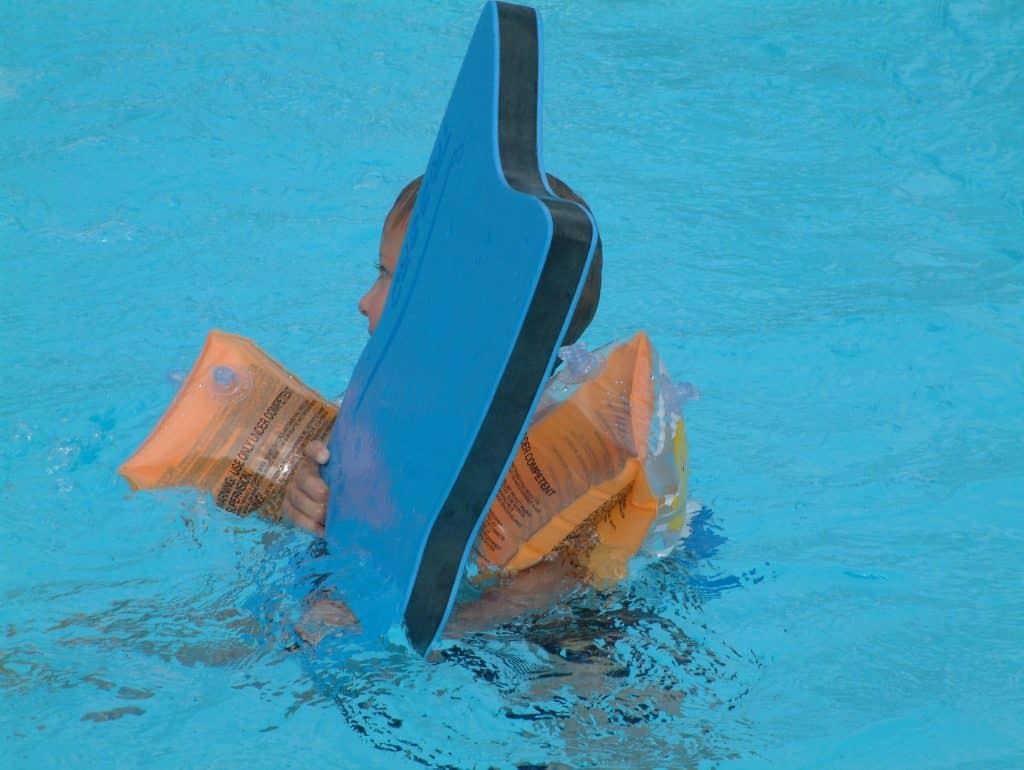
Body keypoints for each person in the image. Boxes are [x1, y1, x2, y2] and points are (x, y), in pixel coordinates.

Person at [281, 174, 604, 542]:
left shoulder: (549, 454)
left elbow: (571, 572)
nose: (364, 302)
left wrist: (499, 602)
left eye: (390, 277)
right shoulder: (372, 413)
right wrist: (304, 500)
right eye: (380, 271)